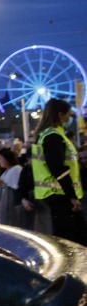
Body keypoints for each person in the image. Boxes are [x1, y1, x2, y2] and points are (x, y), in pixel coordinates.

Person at [30, 98, 86, 244]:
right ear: (60, 115)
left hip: (56, 196)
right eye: (68, 114)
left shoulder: (48, 135)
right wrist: (72, 197)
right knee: (72, 243)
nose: (69, 118)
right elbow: (58, 169)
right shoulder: (53, 137)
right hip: (60, 196)